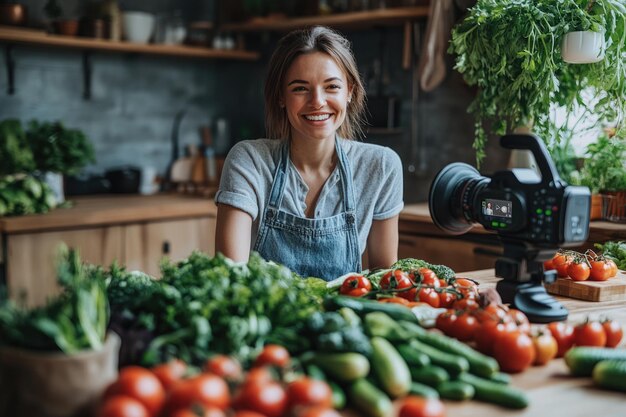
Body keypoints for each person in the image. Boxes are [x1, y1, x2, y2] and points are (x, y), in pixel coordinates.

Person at [214, 26, 404, 281]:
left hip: (344, 319)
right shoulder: (249, 161)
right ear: (281, 96)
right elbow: (231, 277)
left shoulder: (380, 166)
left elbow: (386, 283)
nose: (317, 101)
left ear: (350, 91)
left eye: (331, 87)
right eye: (300, 88)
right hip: (270, 317)